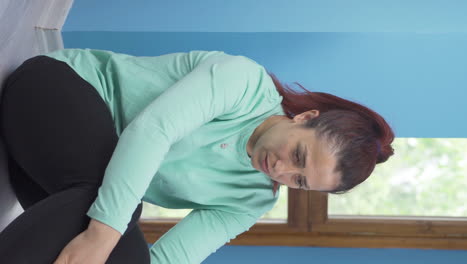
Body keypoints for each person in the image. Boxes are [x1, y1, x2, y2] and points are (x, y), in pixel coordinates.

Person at [0, 48, 394, 264]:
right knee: (116, 213)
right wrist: (102, 236)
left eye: (300, 181)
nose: (282, 169)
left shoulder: (250, 200)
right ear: (306, 118)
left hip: (43, 176)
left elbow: (172, 258)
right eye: (298, 154)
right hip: (47, 94)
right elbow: (151, 132)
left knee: (130, 255)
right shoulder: (243, 82)